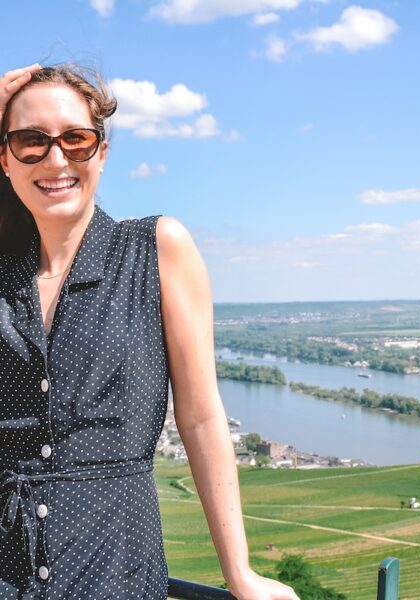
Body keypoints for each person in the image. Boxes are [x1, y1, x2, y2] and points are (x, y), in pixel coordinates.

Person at [0, 64, 300, 600]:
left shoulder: (155, 250)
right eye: (30, 141)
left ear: (103, 152)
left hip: (116, 570)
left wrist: (240, 573)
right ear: (5, 158)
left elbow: (202, 415)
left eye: (76, 139)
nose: (55, 159)